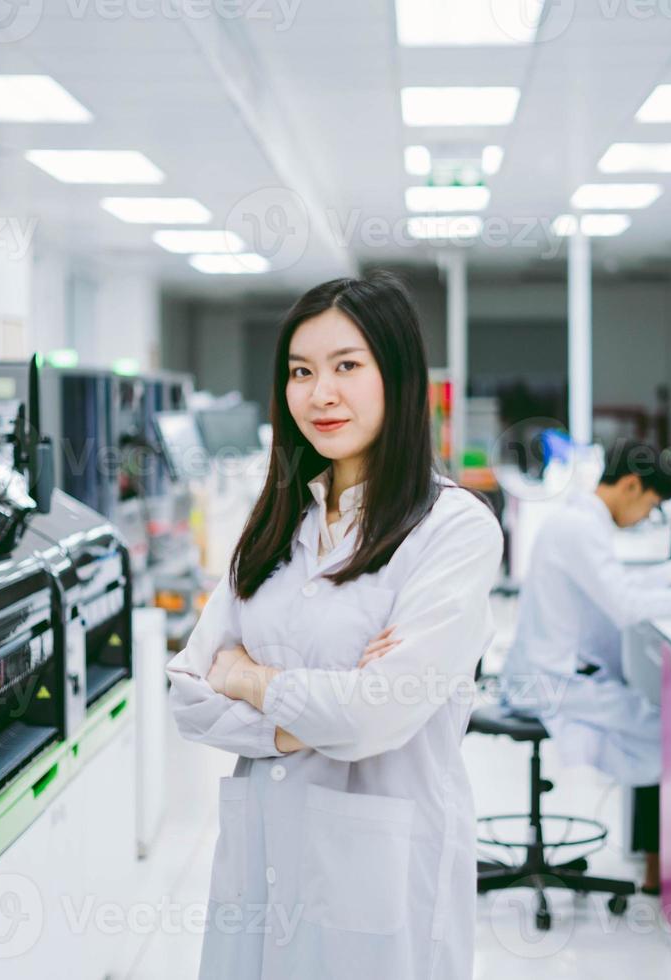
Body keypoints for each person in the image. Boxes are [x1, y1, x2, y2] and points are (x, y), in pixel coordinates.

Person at [165, 272, 503, 978]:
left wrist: (251, 678)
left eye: (347, 366)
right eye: (300, 371)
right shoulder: (276, 524)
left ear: (398, 375)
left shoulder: (452, 530)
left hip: (380, 871)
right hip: (261, 862)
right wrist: (319, 712)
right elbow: (190, 696)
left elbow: (368, 721)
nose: (320, 393)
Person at [498, 440, 671, 891]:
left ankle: (666, 864)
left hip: (553, 676)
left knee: (662, 725)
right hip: (550, 684)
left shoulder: (578, 522)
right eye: (650, 507)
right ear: (631, 485)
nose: (647, 519)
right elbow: (625, 604)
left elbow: (613, 585)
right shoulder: (579, 527)